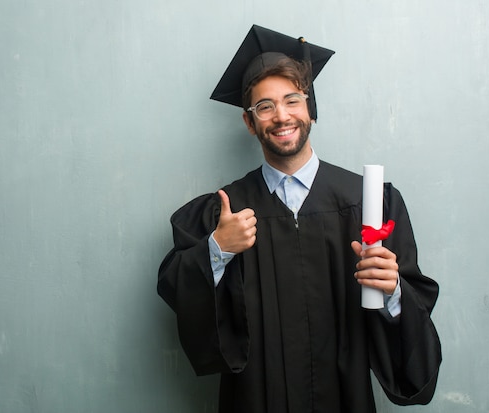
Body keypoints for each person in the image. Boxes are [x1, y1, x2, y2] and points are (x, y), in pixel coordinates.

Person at [157, 25, 441, 413]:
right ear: (249, 122)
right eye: (265, 106)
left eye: (292, 100)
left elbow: (415, 305)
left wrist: (393, 292)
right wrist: (217, 249)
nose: (281, 116)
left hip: (345, 397)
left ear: (309, 107)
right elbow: (176, 287)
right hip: (256, 399)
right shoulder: (225, 210)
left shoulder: (370, 204)